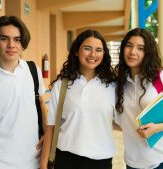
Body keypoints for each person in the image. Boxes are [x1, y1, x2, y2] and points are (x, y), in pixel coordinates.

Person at [40, 29, 117, 169]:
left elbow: (121, 121)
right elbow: (51, 126)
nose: (93, 54)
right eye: (87, 48)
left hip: (101, 161)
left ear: (104, 54)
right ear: (76, 51)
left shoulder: (113, 87)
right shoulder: (62, 85)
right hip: (65, 158)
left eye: (98, 50)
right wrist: (44, 163)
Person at [0, 15, 47, 169]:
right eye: (4, 39)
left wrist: (47, 136)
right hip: (0, 164)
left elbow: (41, 104)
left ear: (23, 44)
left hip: (35, 161)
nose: (11, 45)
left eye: (17, 39)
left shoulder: (33, 69)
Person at [115, 28, 163, 169]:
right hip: (134, 161)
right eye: (129, 46)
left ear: (147, 53)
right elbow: (124, 122)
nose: (132, 52)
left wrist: (156, 128)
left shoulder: (161, 78)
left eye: (140, 48)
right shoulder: (118, 83)